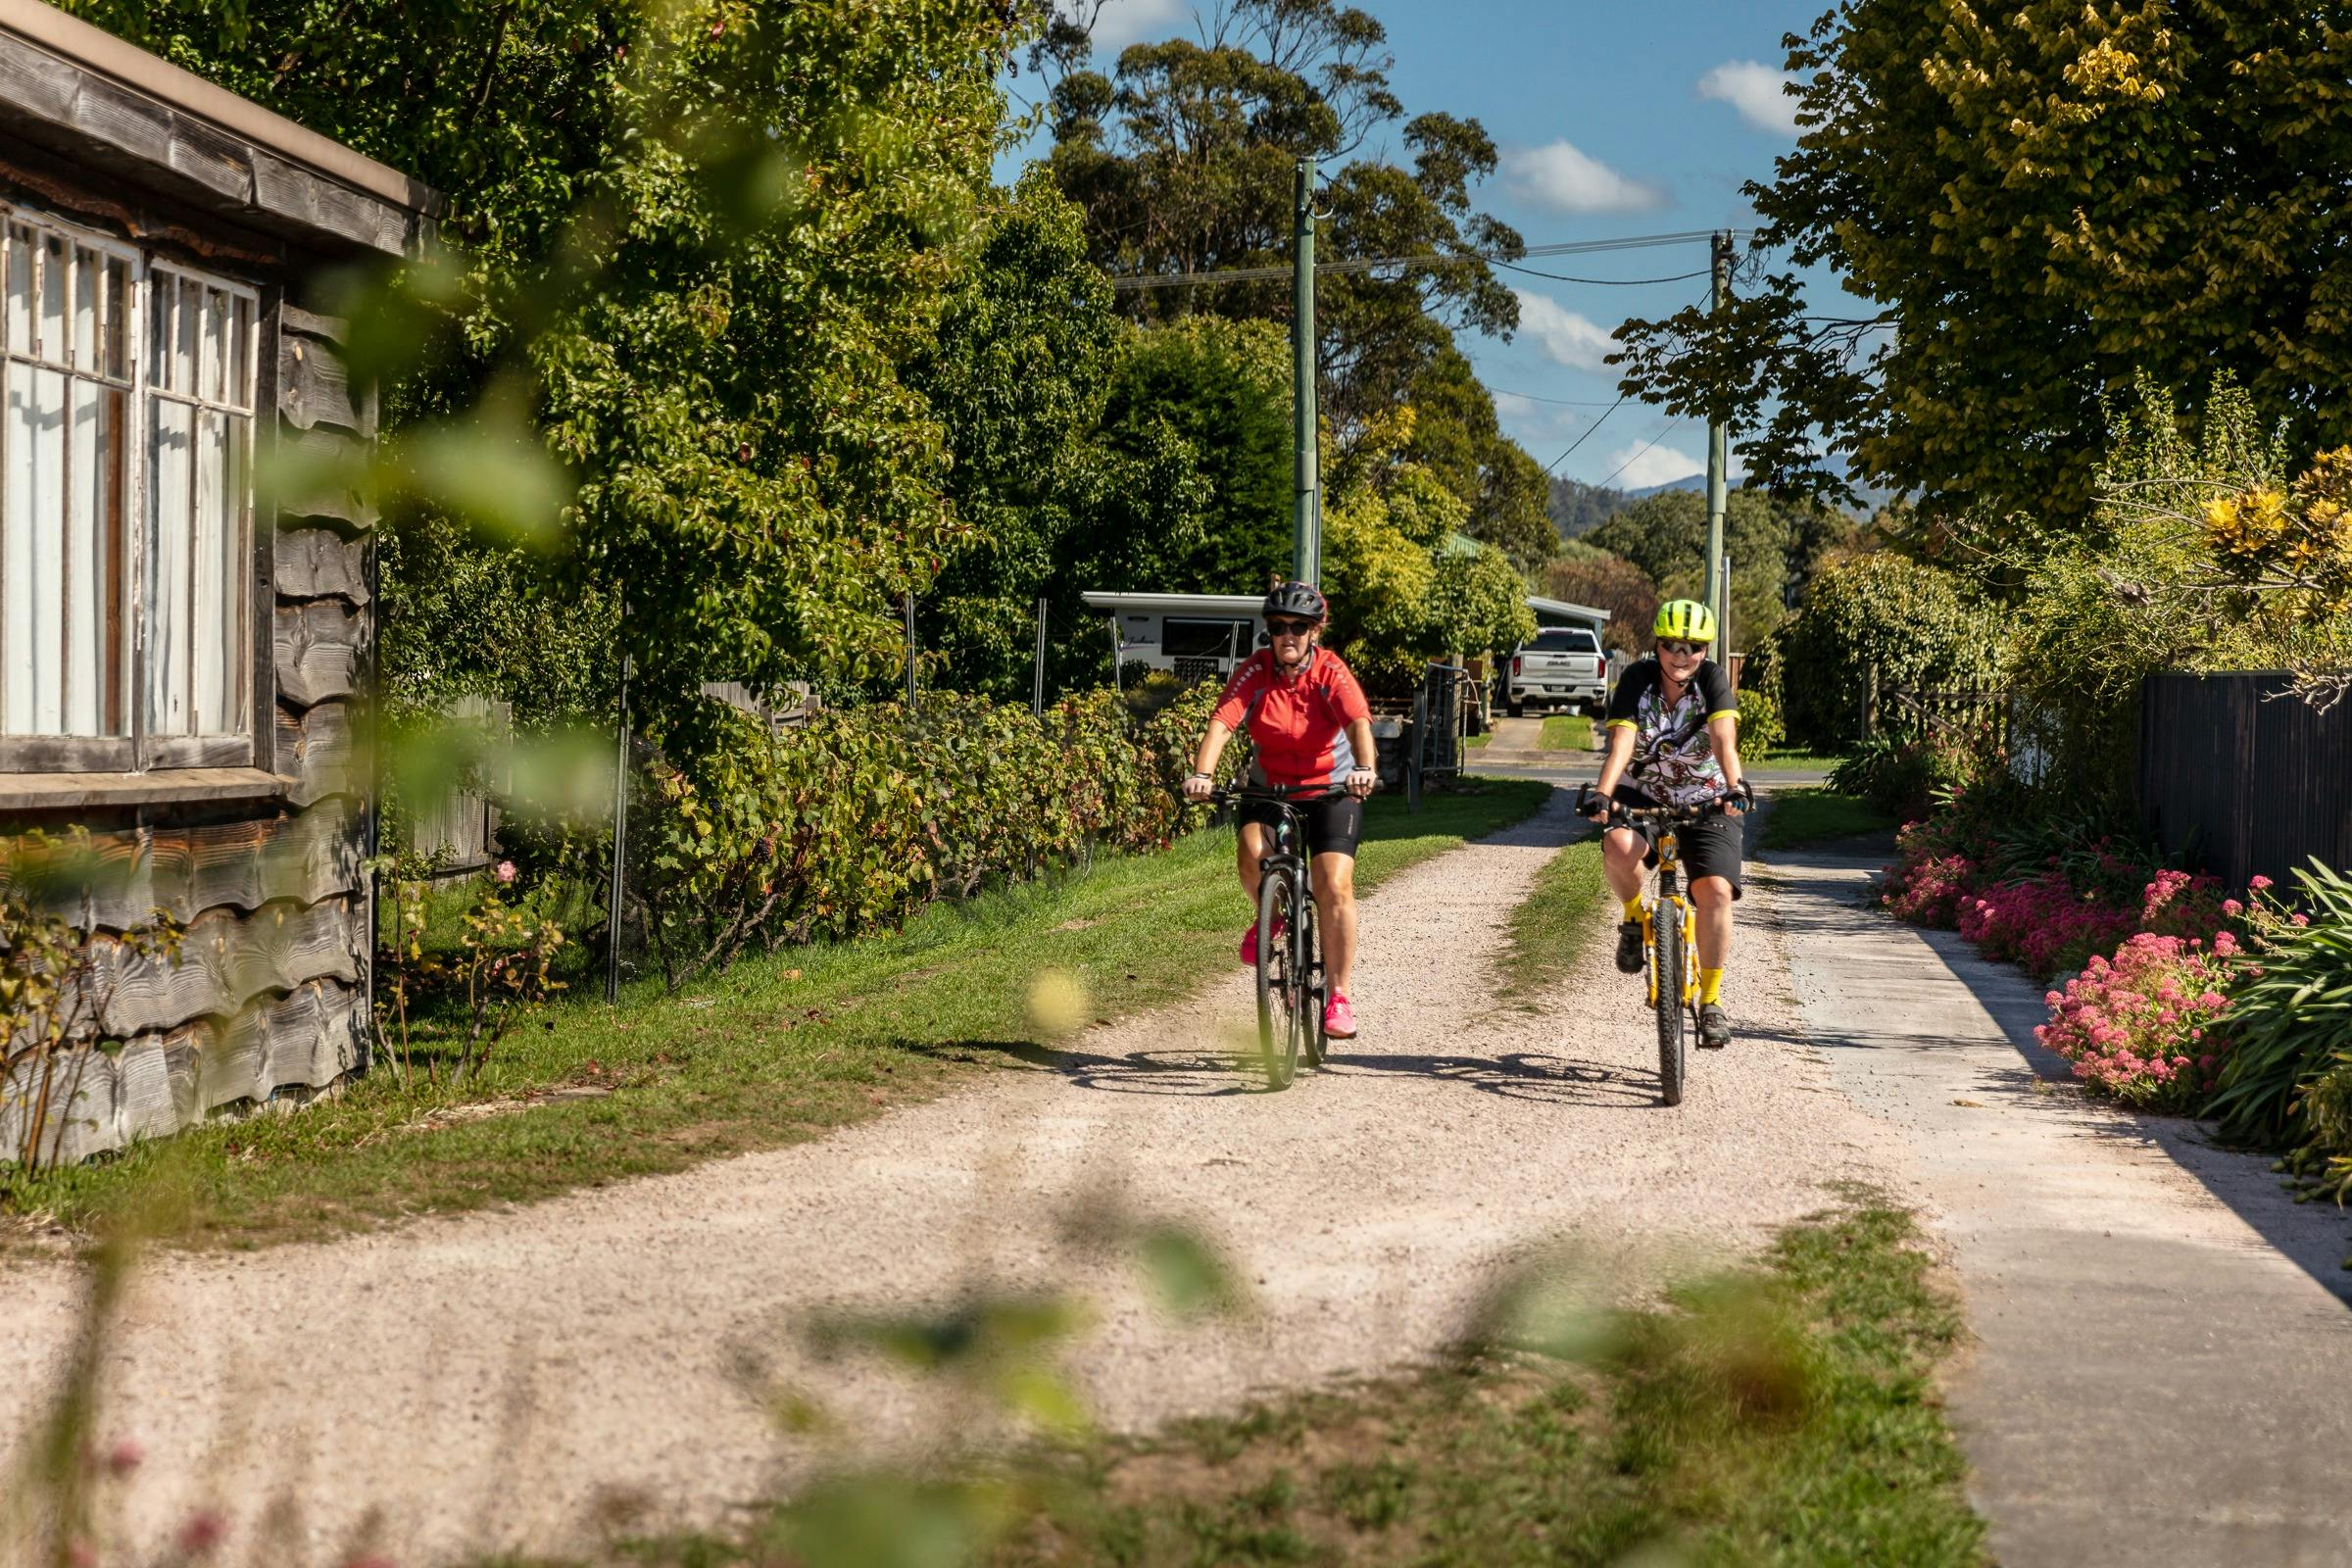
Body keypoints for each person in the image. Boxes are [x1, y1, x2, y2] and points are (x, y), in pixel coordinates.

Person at [1182, 581, 1378, 1039]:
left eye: (1298, 627)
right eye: (1277, 627)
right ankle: (1271, 916)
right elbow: (1221, 723)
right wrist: (1202, 775)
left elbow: (1358, 721)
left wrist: (1364, 768)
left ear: (1315, 631)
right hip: (1270, 787)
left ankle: (1339, 995)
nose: (1287, 635)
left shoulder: (1330, 671)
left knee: (1333, 883)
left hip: (1332, 788)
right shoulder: (1256, 670)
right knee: (1251, 851)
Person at [1584, 599, 1749, 1048]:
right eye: (1672, 644)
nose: (1683, 654)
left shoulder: (1713, 679)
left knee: (1713, 890)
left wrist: (1735, 786)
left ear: (1705, 649)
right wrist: (1603, 792)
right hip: (1644, 793)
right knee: (1619, 846)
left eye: (1694, 646)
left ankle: (1711, 1001)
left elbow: (1722, 738)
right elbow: (1622, 742)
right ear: (1656, 646)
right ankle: (1635, 919)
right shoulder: (1637, 679)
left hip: (1707, 798)